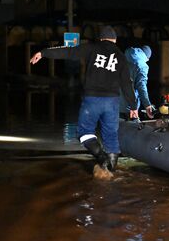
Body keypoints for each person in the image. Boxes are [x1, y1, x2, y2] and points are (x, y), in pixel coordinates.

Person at [30, 25, 138, 173]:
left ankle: (101, 157)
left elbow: (69, 51)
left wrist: (44, 53)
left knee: (84, 132)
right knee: (111, 136)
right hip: (111, 101)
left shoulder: (92, 48)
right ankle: (111, 173)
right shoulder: (120, 56)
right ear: (115, 40)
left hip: (92, 99)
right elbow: (127, 83)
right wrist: (133, 107)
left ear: (101, 38)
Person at [120, 45, 155, 119]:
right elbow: (141, 86)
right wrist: (147, 105)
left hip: (112, 103)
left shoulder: (122, 57)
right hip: (128, 107)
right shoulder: (142, 65)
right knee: (133, 128)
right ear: (147, 58)